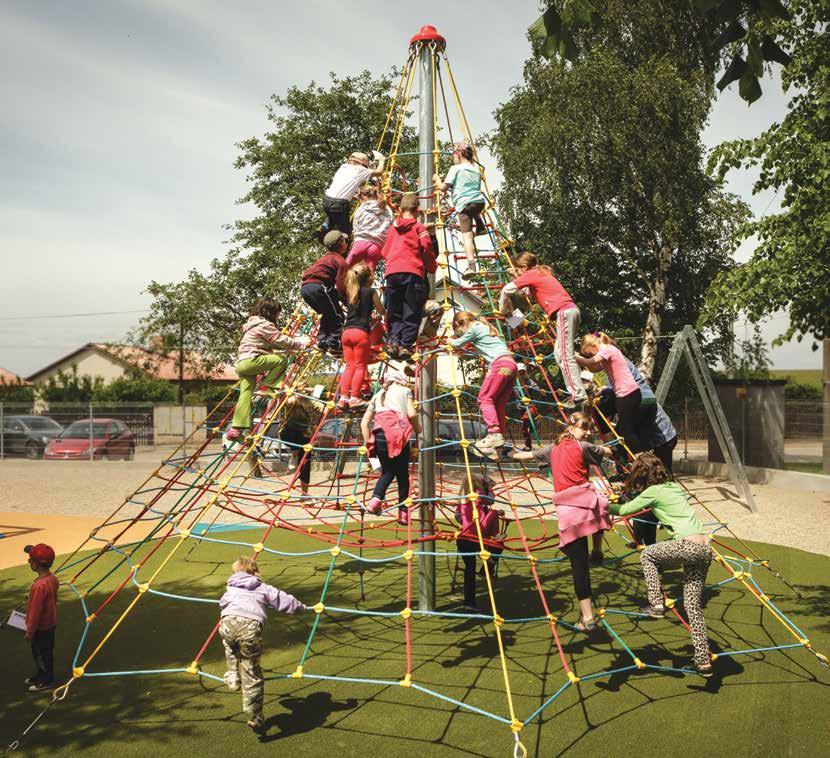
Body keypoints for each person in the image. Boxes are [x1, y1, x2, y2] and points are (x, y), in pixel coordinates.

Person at [609, 453, 714, 677]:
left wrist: (602, 505)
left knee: (648, 554)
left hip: (688, 546)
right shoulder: (672, 487)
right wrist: (624, 494)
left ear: (641, 473)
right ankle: (703, 660)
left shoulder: (653, 491)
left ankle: (656, 604)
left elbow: (626, 511)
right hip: (705, 548)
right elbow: (641, 500)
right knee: (693, 606)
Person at [510, 413, 612, 631]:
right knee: (600, 510)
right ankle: (597, 550)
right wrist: (606, 447)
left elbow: (525, 456)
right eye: (585, 428)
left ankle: (587, 616)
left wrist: (508, 453)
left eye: (589, 428)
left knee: (579, 563)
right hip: (582, 508)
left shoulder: (552, 449)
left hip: (571, 512)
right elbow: (608, 451)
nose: (588, 432)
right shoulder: (583, 447)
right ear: (572, 427)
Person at [219, 556, 308, 732]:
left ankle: (233, 676)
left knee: (229, 646)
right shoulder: (262, 587)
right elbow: (285, 601)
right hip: (249, 628)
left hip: (227, 622)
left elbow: (222, 603)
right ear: (255, 571)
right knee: (251, 671)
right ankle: (255, 716)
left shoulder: (230, 588)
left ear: (235, 572)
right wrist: (302, 608)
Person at [498, 252, 586, 408]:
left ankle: (579, 395)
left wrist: (502, 309)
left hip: (563, 312)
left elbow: (506, 290)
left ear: (524, 267)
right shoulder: (537, 274)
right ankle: (583, 385)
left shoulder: (532, 273)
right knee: (561, 354)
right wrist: (514, 275)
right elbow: (523, 293)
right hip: (566, 312)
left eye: (518, 270)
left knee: (565, 356)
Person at [227, 298, 309, 441]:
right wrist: (301, 343)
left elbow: (273, 344)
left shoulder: (252, 324)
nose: (278, 317)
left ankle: (236, 428)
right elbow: (281, 340)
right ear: (271, 312)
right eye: (277, 313)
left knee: (245, 394)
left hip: (242, 364)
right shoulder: (265, 324)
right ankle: (267, 385)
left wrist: (291, 350)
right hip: (252, 361)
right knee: (281, 361)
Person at [449, 311, 517, 459]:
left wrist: (450, 340)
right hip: (511, 365)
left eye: (459, 331)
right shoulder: (485, 327)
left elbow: (456, 344)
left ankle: (493, 433)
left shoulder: (474, 328)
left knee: (484, 398)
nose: (461, 334)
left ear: (460, 324)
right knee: (498, 403)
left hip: (499, 365)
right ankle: (497, 446)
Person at [624, 358, 678, 546]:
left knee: (655, 487)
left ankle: (656, 530)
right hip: (656, 444)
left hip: (663, 440)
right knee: (645, 492)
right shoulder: (634, 398)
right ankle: (642, 536)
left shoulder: (640, 400)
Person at [360, 367, 420, 525]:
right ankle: (402, 512)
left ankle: (376, 500)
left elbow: (364, 423)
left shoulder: (378, 395)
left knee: (389, 471)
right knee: (402, 475)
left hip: (379, 435)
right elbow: (412, 414)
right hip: (397, 436)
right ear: (401, 380)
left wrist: (369, 445)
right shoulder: (405, 391)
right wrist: (419, 430)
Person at [381, 193, 436, 361]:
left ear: (400, 209)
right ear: (417, 210)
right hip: (413, 272)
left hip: (392, 273)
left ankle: (394, 342)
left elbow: (384, 251)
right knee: (411, 309)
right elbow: (426, 248)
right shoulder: (419, 228)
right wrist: (431, 266)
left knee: (394, 310)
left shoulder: (392, 229)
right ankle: (406, 345)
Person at [576, 332, 644, 453]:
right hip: (628, 394)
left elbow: (589, 362)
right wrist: (579, 361)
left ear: (593, 345)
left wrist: (572, 356)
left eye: (589, 353)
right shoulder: (608, 353)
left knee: (626, 432)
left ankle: (639, 456)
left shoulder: (607, 349)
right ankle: (623, 453)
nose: (589, 355)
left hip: (627, 394)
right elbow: (595, 368)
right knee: (623, 429)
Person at [433, 141, 486, 278]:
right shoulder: (475, 169)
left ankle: (471, 266)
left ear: (459, 154)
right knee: (473, 209)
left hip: (464, 205)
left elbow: (443, 187)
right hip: (479, 202)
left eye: (453, 156)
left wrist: (437, 180)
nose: (453, 159)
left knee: (467, 236)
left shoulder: (455, 169)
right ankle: (480, 226)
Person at [339, 263, 386, 411]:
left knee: (349, 366)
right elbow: (381, 310)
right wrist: (383, 313)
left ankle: (343, 398)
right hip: (361, 333)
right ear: (369, 278)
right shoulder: (371, 292)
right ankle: (354, 398)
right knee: (360, 366)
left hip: (346, 333)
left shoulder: (350, 292)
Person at [455, 475, 504, 610]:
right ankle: (487, 566)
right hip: (476, 538)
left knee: (469, 570)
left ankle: (469, 603)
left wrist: (465, 525)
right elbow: (491, 500)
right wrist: (490, 488)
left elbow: (458, 516)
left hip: (464, 539)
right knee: (498, 544)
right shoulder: (478, 493)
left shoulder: (462, 497)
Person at [301, 230, 349, 355]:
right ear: (342, 244)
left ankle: (322, 342)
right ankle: (333, 344)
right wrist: (347, 301)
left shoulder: (325, 258)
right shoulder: (340, 261)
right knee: (338, 316)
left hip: (305, 288)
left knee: (328, 314)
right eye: (344, 240)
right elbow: (341, 285)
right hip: (319, 287)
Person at [22, 543, 59, 692]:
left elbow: (35, 611)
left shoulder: (38, 586)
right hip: (50, 623)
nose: (29, 562)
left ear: (38, 564)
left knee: (42, 653)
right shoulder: (52, 579)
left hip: (40, 627)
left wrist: (30, 631)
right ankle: (41, 674)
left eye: (31, 560)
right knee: (43, 652)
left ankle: (47, 679)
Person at [323, 151, 385, 235]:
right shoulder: (360, 170)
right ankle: (345, 243)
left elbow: (347, 186)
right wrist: (382, 160)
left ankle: (325, 225)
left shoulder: (343, 167)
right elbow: (379, 172)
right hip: (339, 204)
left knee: (332, 214)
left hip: (326, 200)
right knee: (346, 232)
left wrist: (355, 196)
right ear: (360, 163)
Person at [346, 184, 394, 271]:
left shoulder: (362, 208)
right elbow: (391, 224)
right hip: (377, 246)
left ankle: (339, 284)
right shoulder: (386, 208)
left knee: (346, 269)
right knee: (369, 273)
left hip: (361, 242)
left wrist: (355, 238)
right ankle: (366, 285)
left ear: (364, 196)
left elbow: (356, 223)